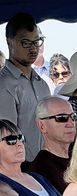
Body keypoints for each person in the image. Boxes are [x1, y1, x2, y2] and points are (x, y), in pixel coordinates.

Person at [0, 12, 50, 161]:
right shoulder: (4, 84)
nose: (33, 48)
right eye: (26, 43)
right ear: (10, 42)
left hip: (47, 162)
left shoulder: (42, 83)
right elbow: (6, 138)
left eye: (37, 41)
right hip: (20, 166)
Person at [28, 96, 76, 193]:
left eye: (73, 116)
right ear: (42, 126)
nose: (71, 123)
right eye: (62, 118)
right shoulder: (40, 170)